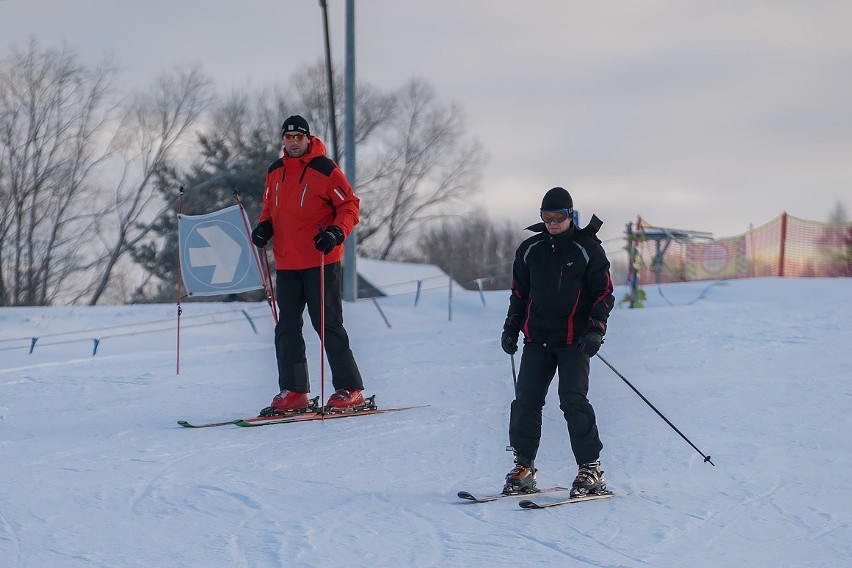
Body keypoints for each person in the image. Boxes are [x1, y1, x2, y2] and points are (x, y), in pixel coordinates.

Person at [500, 187, 615, 497]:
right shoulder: (529, 250)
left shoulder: (587, 248)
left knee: (572, 399)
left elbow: (604, 293)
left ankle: (591, 469)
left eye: (559, 216)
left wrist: (595, 330)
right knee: (526, 400)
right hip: (537, 339)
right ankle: (524, 467)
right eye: (546, 217)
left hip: (573, 341)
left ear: (570, 215)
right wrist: (511, 328)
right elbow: (519, 294)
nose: (552, 223)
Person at [251, 115, 366, 414]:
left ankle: (350, 389)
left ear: (307, 138)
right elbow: (269, 208)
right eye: (287, 138)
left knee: (327, 324)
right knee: (286, 327)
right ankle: (294, 391)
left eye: (298, 138)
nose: (293, 143)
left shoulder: (324, 169)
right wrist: (264, 227)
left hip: (321, 259)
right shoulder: (275, 171)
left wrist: (336, 232)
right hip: (287, 262)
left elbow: (350, 205)